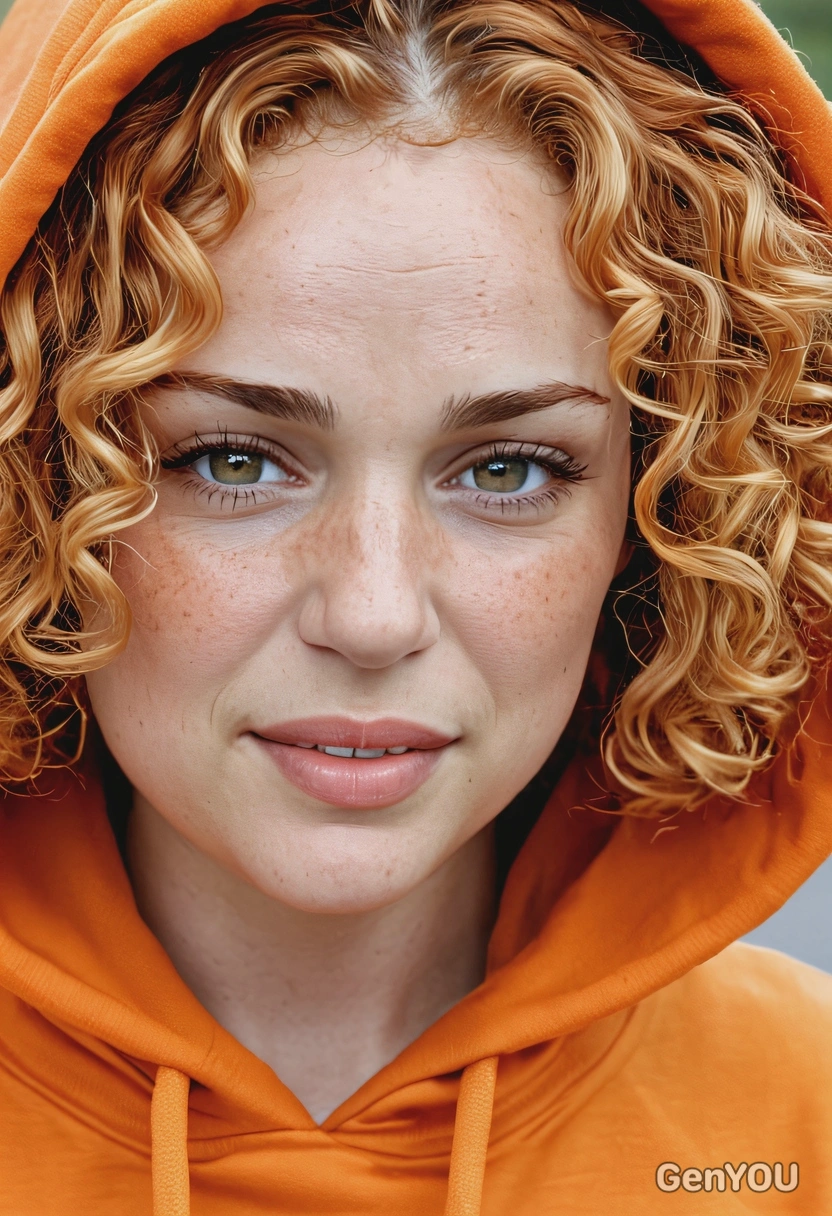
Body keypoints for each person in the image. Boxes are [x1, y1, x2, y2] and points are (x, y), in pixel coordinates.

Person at [0, 0, 830, 1211]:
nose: (376, 614)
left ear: (670, 514)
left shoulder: (802, 1116)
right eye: (233, 458)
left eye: (508, 469)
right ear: (34, 480)